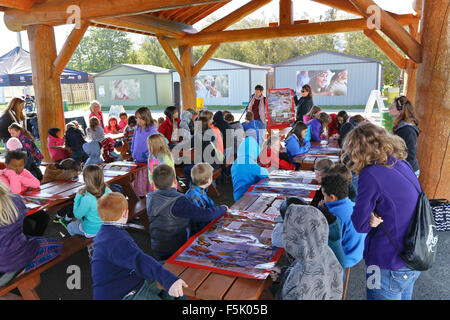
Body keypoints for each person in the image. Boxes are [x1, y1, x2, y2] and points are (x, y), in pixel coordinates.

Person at [342, 122, 423, 300]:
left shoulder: (370, 174)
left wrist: (370, 215)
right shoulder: (402, 164)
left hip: (384, 262)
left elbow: (360, 225)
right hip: (412, 256)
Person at [91, 192, 187, 300]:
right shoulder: (117, 240)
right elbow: (140, 260)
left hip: (126, 281)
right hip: (124, 294)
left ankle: (172, 292)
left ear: (100, 215)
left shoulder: (106, 232)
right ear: (125, 213)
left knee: (172, 267)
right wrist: (169, 280)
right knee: (168, 274)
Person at [146, 164, 227, 261]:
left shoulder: (150, 197)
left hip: (157, 245)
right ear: (175, 181)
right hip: (176, 245)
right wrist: (223, 208)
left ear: (154, 184)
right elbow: (205, 214)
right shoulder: (179, 201)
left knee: (165, 264)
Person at [270, 204, 343, 300]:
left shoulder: (299, 287)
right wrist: (283, 273)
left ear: (293, 237)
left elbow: (302, 280)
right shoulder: (324, 250)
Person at [0, 183, 62, 288]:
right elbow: (24, 212)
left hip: (6, 261)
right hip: (16, 258)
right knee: (57, 245)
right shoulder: (15, 200)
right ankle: (23, 269)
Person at [271, 197, 346, 269]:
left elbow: (275, 239)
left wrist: (283, 273)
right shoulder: (321, 219)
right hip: (336, 268)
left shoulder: (307, 235)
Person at [321, 174, 366, 269]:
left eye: (324, 196)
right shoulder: (352, 204)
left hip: (346, 258)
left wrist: (320, 210)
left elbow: (333, 246)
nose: (324, 199)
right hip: (358, 251)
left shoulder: (335, 216)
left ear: (332, 197)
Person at [66, 165, 113, 238]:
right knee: (81, 218)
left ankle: (86, 243)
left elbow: (77, 214)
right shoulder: (108, 190)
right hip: (107, 227)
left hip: (92, 231)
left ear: (85, 179)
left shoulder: (88, 198)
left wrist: (78, 196)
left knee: (70, 226)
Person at [181, 116, 219, 186]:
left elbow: (184, 147)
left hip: (207, 165)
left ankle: (194, 186)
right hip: (216, 163)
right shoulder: (210, 131)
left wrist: (171, 146)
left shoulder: (199, 136)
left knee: (186, 170)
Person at [231, 135, 269, 202]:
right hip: (247, 197)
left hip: (237, 195)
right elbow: (265, 174)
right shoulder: (249, 163)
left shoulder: (236, 162)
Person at [389, 96, 420, 177]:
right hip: (402, 168)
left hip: (409, 171)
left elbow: (410, 154)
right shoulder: (401, 126)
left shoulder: (408, 130)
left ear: (400, 111)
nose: (389, 108)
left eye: (392, 107)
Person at [185, 163, 218, 234]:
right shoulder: (196, 197)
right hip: (200, 231)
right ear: (208, 180)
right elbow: (201, 219)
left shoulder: (196, 190)